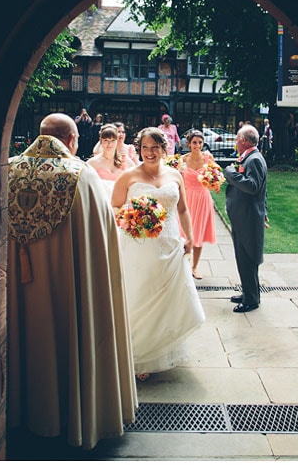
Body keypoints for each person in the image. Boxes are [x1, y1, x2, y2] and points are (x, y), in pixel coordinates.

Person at [6, 113, 136, 449]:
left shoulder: (7, 170)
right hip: (67, 290)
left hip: (15, 289)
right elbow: (100, 242)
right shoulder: (82, 176)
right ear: (72, 140)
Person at [111, 127, 205, 381]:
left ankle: (161, 349)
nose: (149, 153)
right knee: (142, 295)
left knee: (167, 298)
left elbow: (183, 209)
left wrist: (190, 236)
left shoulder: (175, 174)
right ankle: (139, 354)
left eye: (154, 148)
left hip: (170, 243)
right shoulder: (129, 176)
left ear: (164, 149)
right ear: (139, 149)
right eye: (144, 148)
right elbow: (115, 207)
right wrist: (133, 218)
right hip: (139, 245)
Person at [223, 124, 268, 313]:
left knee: (247, 257)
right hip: (244, 217)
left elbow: (253, 187)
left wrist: (231, 173)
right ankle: (249, 292)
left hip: (248, 218)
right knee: (243, 258)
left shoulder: (254, 160)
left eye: (236, 139)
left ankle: (251, 300)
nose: (235, 142)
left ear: (243, 141)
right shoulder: (250, 157)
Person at [179, 129, 218, 279]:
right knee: (183, 233)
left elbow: (215, 177)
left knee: (198, 233)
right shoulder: (182, 160)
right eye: (194, 142)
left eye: (200, 142)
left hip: (202, 198)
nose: (197, 145)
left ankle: (194, 267)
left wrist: (215, 184)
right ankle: (182, 265)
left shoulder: (208, 158)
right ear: (189, 144)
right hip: (187, 198)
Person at [86, 123, 130, 197]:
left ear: (117, 141)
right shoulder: (92, 162)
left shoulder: (124, 159)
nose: (109, 144)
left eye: (113, 140)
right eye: (106, 140)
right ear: (101, 141)